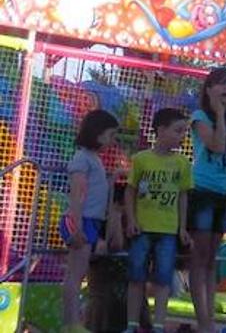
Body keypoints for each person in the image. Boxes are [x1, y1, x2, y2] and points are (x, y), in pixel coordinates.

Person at [125, 107, 192, 333]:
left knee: (163, 277)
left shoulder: (182, 164)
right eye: (178, 130)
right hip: (142, 228)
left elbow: (183, 195)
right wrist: (131, 219)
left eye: (184, 131)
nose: (182, 136)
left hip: (168, 230)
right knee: (136, 275)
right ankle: (132, 324)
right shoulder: (141, 159)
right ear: (161, 131)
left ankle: (159, 324)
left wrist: (182, 227)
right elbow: (130, 191)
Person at [188, 68, 226, 333]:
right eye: (222, 83)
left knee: (213, 258)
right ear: (209, 88)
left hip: (224, 195)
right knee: (200, 258)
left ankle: (209, 318)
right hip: (202, 192)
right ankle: (203, 321)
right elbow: (216, 146)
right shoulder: (200, 117)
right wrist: (219, 114)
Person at [61, 108, 120, 333]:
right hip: (80, 220)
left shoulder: (94, 160)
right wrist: (76, 226)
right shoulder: (82, 158)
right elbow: (78, 194)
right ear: (97, 134)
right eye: (111, 135)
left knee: (80, 272)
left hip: (91, 221)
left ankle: (75, 320)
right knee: (75, 274)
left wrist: (113, 178)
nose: (112, 141)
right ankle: (71, 323)